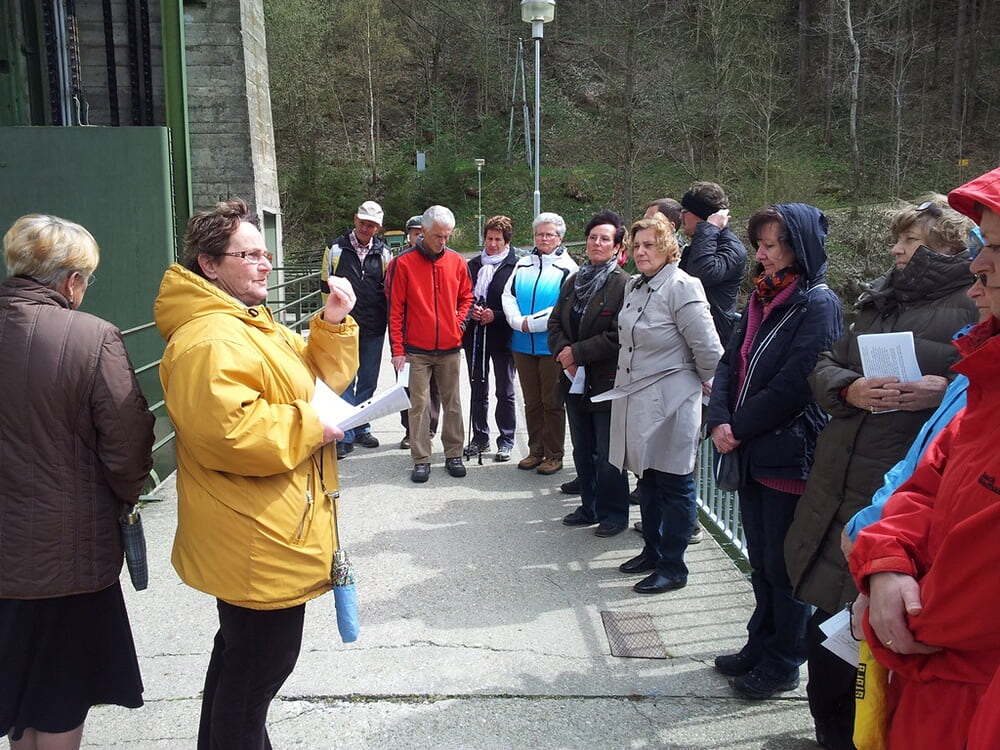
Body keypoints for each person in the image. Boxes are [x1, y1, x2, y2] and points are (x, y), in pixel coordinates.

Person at [154, 199, 359, 749]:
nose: (265, 264)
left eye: (264, 253)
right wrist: (311, 425)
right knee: (257, 671)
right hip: (257, 534)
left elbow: (314, 380)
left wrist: (332, 324)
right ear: (209, 264)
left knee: (242, 664)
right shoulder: (210, 339)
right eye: (249, 255)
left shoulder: (247, 322)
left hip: (269, 526)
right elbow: (229, 434)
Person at [784, 196, 977, 749]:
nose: (896, 250)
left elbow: (976, 392)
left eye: (910, 241)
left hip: (891, 506)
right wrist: (850, 388)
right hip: (841, 489)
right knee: (827, 645)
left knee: (858, 659)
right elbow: (825, 363)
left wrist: (945, 391)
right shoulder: (880, 300)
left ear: (949, 247)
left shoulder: (972, 307)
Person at [848, 168, 1000, 750]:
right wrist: (886, 560)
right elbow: (926, 483)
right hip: (936, 696)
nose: (979, 269)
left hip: (966, 695)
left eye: (994, 250)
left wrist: (894, 611)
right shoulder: (986, 383)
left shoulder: (971, 353)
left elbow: (955, 606)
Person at [0, 215, 154, 749]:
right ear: (71, 281)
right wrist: (127, 496)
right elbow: (127, 445)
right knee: (59, 694)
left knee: (17, 695)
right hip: (69, 556)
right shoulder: (92, 337)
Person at [707, 204, 843, 700]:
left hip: (787, 453)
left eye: (770, 246)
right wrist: (718, 418)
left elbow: (796, 384)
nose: (760, 256)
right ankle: (760, 642)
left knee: (786, 567)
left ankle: (784, 660)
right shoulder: (763, 296)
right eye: (759, 245)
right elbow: (730, 362)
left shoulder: (817, 304)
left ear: (798, 248)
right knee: (762, 560)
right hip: (752, 448)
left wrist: (736, 427)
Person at [610, 217, 722, 594]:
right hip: (637, 401)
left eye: (650, 245)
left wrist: (696, 389)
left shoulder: (682, 286)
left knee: (674, 482)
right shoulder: (634, 285)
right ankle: (652, 552)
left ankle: (673, 567)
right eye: (637, 245)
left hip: (673, 403)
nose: (641, 252)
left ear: (669, 247)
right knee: (648, 479)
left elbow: (710, 352)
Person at [548, 210, 630, 536]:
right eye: (593, 237)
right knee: (582, 449)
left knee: (608, 454)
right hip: (573, 380)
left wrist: (578, 352)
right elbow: (555, 322)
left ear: (617, 246)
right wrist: (564, 353)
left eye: (604, 239)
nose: (597, 243)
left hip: (606, 383)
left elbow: (619, 334)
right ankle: (589, 506)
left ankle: (614, 515)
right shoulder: (574, 281)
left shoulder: (623, 284)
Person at [388, 205, 473, 483]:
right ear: (423, 232)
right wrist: (398, 350)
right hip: (417, 350)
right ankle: (421, 458)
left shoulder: (457, 261)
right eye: (438, 236)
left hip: (449, 346)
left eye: (447, 236)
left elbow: (467, 297)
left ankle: (454, 454)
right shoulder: (403, 263)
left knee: (453, 403)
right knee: (419, 405)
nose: (443, 241)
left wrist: (458, 323)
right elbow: (396, 309)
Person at [502, 212, 578, 475]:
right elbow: (508, 295)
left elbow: (562, 307)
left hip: (550, 345)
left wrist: (529, 323)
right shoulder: (523, 264)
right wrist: (516, 321)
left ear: (560, 238)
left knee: (552, 402)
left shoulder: (568, 268)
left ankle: (554, 454)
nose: (544, 238)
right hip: (522, 344)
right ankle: (535, 450)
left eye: (549, 234)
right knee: (532, 402)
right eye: (539, 234)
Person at [322, 200, 392, 459]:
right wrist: (330, 322)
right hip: (343, 326)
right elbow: (324, 286)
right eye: (363, 223)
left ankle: (362, 426)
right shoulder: (336, 248)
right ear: (355, 220)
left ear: (378, 228)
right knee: (344, 380)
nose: (366, 228)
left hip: (373, 325)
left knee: (368, 380)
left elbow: (388, 290)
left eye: (371, 225)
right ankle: (346, 432)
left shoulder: (384, 253)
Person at [464, 215, 518, 462]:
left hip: (503, 335)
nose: (493, 244)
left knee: (505, 391)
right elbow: (462, 296)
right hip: (475, 335)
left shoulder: (515, 266)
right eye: (489, 238)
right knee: (478, 387)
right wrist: (471, 311)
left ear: (507, 242)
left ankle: (506, 439)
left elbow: (518, 302)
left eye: (498, 239)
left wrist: (495, 314)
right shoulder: (473, 265)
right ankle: (480, 437)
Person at [388, 215, 440, 450]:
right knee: (406, 385)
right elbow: (391, 299)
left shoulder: (436, 259)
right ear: (408, 235)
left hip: (433, 337)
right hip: (406, 336)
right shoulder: (398, 262)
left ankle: (429, 428)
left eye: (422, 232)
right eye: (414, 232)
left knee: (433, 387)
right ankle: (410, 429)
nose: (419, 236)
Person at [678, 181, 748, 345]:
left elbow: (701, 275)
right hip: (690, 334)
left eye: (685, 211)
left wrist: (709, 228)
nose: (681, 216)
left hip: (712, 341)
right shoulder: (701, 243)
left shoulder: (732, 248)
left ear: (701, 215)